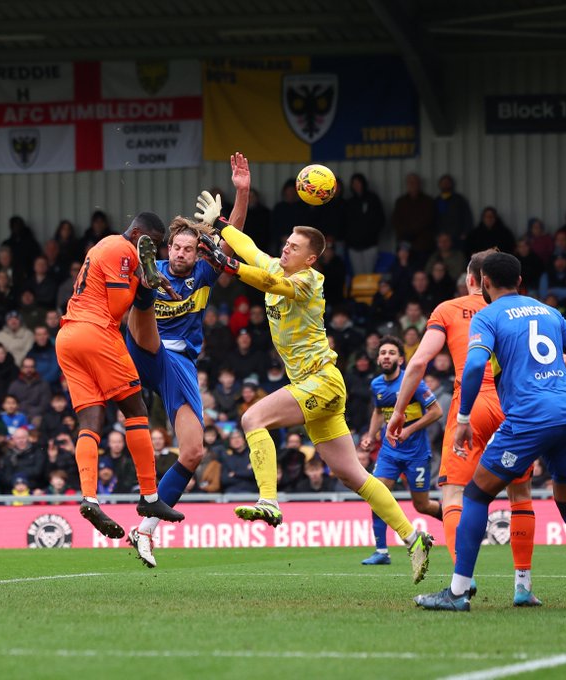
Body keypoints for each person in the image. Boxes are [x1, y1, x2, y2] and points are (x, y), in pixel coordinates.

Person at [196, 200, 433, 584]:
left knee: (252, 417)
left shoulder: (308, 281)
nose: (285, 247)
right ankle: (413, 537)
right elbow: (250, 248)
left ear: (310, 259)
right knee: (352, 475)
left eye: (294, 246)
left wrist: (229, 267)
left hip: (320, 381)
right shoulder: (276, 264)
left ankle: (268, 500)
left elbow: (272, 283)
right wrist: (221, 225)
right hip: (318, 385)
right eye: (287, 242)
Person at [411, 252, 566, 612]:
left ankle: (457, 593)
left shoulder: (488, 316)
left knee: (476, 496)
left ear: (483, 282)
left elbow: (474, 366)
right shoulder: (547, 311)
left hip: (528, 416)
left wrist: (463, 417)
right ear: (520, 279)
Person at [387, 249, 542, 607]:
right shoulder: (521, 309)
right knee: (520, 495)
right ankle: (523, 587)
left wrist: (399, 412)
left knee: (454, 496)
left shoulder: (448, 309)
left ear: (471, 278)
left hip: (471, 405)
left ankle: (462, 583)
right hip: (513, 404)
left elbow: (419, 362)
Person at [125, 152, 250, 567]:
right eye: (176, 247)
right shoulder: (157, 263)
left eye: (188, 249)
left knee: (194, 451)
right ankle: (146, 289)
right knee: (145, 322)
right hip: (141, 349)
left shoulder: (202, 273)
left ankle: (145, 531)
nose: (181, 253)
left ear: (198, 253)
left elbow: (234, 243)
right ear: (167, 248)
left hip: (179, 365)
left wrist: (242, 192)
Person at [55, 211, 185, 539]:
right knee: (136, 411)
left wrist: (149, 279)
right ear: (138, 232)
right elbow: (116, 306)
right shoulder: (120, 248)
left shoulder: (110, 248)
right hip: (97, 331)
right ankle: (150, 497)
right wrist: (145, 286)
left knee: (92, 422)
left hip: (69, 336)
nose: (152, 252)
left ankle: (89, 499)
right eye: (152, 244)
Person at [360, 336, 443, 565]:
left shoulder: (412, 381)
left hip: (416, 453)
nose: (386, 356)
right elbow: (379, 412)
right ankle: (381, 552)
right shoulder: (376, 384)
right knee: (377, 494)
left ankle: (455, 521)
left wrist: (409, 429)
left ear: (401, 358)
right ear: (378, 358)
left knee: (422, 505)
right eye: (383, 352)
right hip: (390, 451)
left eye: (391, 353)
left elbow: (436, 412)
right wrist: (370, 436)